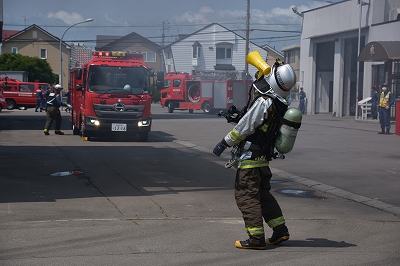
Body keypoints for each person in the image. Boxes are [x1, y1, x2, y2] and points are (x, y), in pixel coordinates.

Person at [213, 60, 296, 250]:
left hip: (250, 158)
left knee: (246, 197)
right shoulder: (281, 103)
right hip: (262, 157)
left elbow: (245, 127)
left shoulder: (264, 101)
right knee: (262, 195)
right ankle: (280, 231)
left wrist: (224, 143)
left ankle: (255, 239)